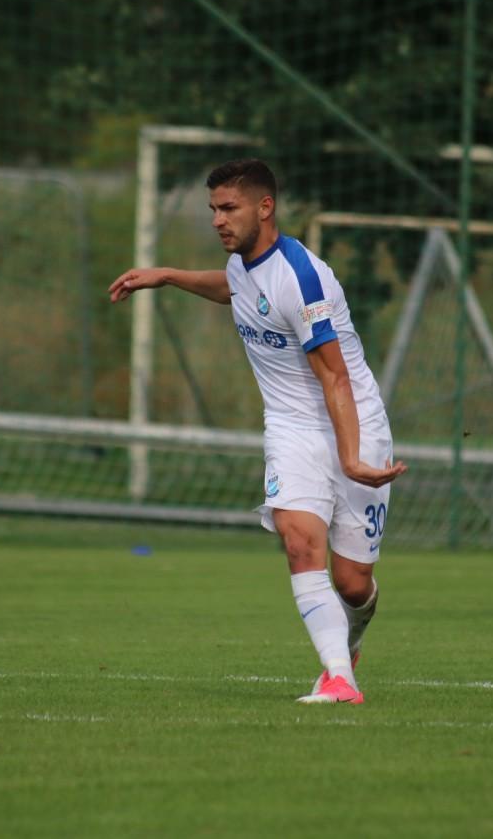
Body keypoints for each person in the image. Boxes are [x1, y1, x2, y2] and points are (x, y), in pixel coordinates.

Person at [108, 158, 407, 704]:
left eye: (229, 209)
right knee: (299, 541)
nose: (217, 221)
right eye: (213, 210)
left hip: (356, 423)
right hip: (291, 429)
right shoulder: (243, 266)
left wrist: (350, 458)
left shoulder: (301, 279)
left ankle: (351, 639)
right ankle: (339, 678)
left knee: (352, 583)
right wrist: (167, 276)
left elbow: (335, 377)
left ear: (265, 208)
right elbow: (234, 288)